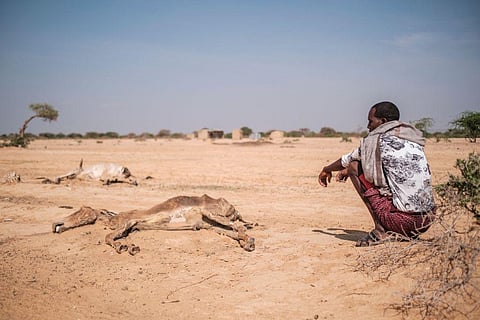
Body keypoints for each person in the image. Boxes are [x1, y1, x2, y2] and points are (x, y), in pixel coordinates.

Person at [318, 101, 435, 246]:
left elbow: (347, 160)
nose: (368, 126)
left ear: (383, 122)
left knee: (354, 166)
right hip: (426, 220)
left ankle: (381, 231)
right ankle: (404, 232)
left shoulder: (377, 141)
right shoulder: (412, 139)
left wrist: (326, 169)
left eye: (370, 121)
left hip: (402, 221)